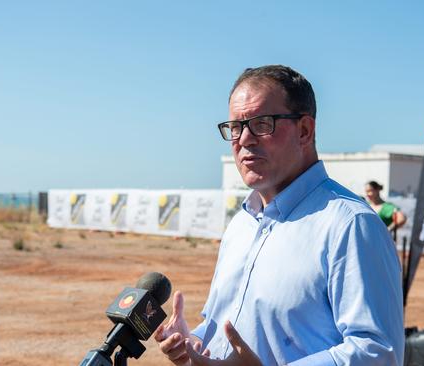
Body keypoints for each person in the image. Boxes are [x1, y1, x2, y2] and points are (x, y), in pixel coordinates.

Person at [154, 65, 404, 365]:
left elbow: (378, 352)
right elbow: (228, 328)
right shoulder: (242, 224)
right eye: (235, 127)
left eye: (261, 123)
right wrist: (193, 341)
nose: (244, 139)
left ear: (304, 130)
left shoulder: (350, 225)